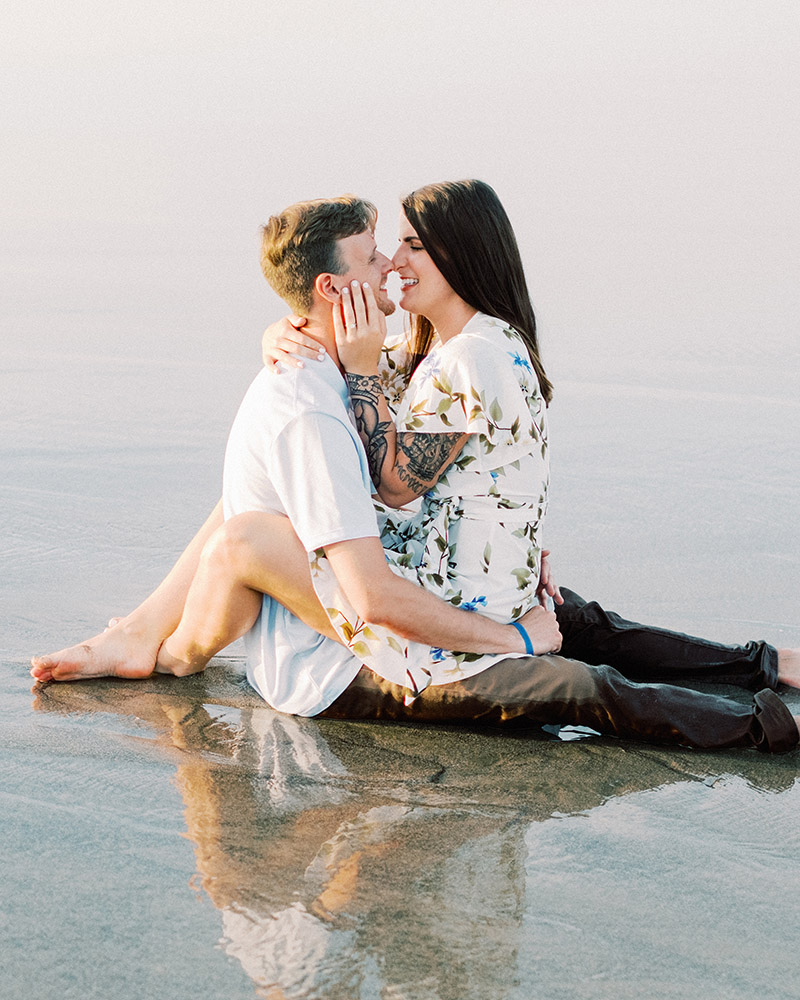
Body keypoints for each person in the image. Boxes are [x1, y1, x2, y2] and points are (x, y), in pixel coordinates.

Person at [31, 187, 800, 752]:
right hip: (465, 568)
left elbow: (395, 478)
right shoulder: (446, 346)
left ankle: (766, 714)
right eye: (386, 250)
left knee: (582, 674)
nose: (395, 264)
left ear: (458, 258)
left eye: (412, 248)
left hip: (451, 589)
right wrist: (290, 324)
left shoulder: (469, 357)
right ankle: (768, 667)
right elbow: (359, 363)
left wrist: (357, 366)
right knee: (590, 630)